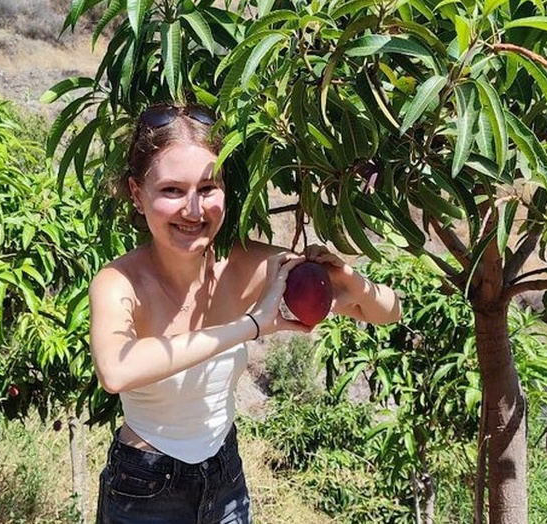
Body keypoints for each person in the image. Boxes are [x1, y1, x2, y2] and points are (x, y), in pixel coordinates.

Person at [89, 103, 402, 524]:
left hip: (224, 477)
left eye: (207, 187)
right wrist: (250, 326)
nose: (194, 210)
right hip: (145, 488)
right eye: (172, 191)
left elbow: (387, 311)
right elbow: (117, 371)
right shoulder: (118, 283)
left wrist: (347, 277)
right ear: (136, 194)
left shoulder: (246, 267)